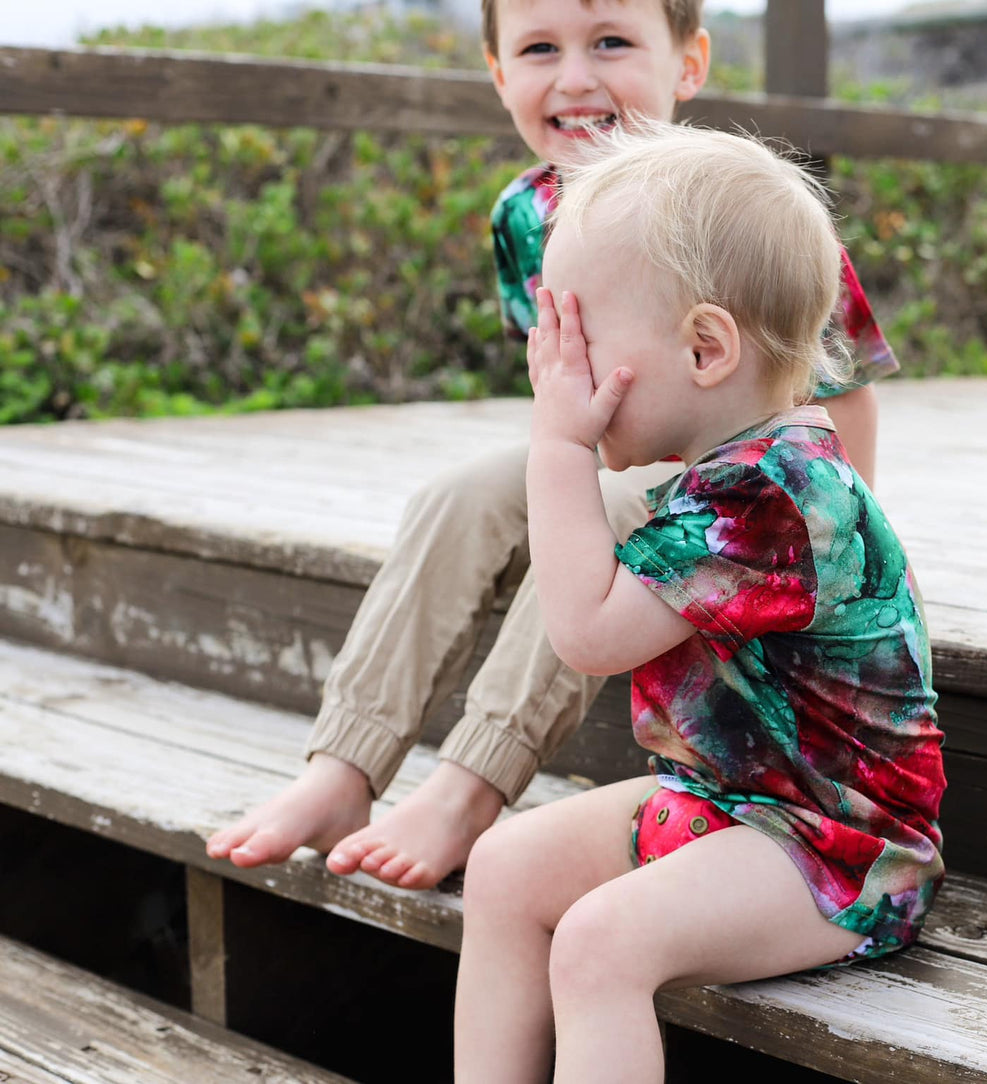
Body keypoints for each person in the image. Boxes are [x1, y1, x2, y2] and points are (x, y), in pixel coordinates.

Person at [206, 0, 898, 891]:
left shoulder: (746, 221)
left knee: (610, 510)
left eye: (610, 42)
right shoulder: (524, 214)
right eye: (539, 49)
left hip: (753, 496)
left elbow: (846, 388)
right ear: (499, 74)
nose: (575, 77)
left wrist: (850, 538)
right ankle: (343, 764)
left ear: (688, 63)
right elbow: (568, 385)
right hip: (635, 451)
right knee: (461, 494)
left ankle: (468, 783)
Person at [454, 122, 945, 1084]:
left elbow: (588, 633)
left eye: (581, 339)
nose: (562, 371)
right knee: (505, 869)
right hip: (730, 804)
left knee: (600, 942)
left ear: (705, 347)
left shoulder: (772, 494)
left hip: (838, 849)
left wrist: (557, 449)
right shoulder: (733, 467)